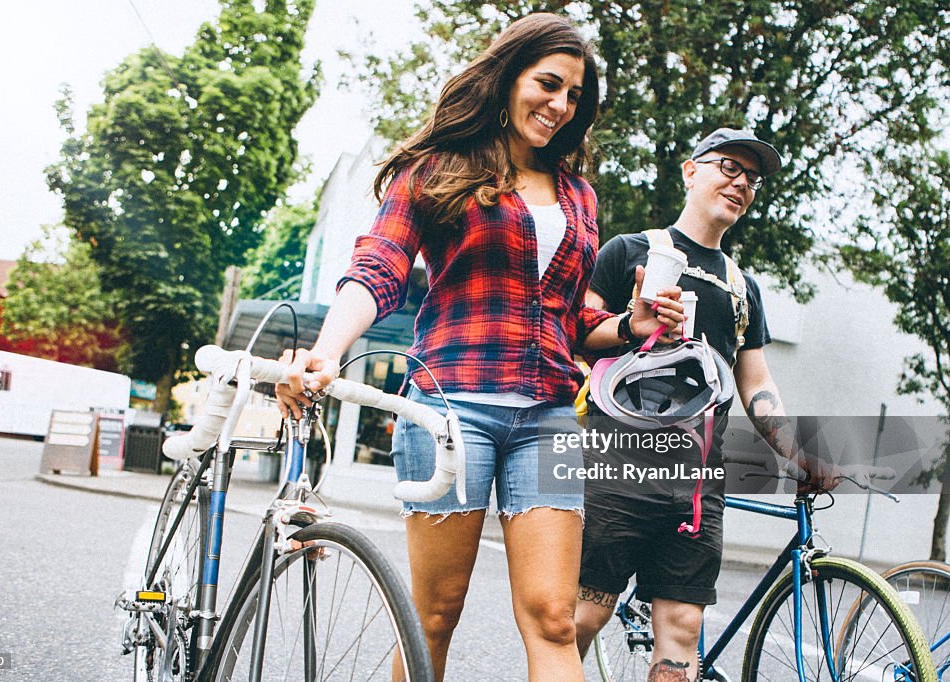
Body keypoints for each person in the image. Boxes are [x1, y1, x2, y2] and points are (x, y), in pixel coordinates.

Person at [275, 13, 683, 681]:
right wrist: (326, 348)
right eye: (548, 84)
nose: (559, 105)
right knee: (435, 615)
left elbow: (573, 318)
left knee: (555, 616)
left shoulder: (578, 195)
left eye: (574, 96)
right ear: (509, 76)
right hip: (449, 408)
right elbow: (379, 265)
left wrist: (633, 325)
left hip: (549, 416)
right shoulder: (437, 167)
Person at [573, 128, 833, 681]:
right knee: (582, 617)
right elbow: (576, 329)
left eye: (752, 178)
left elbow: (756, 383)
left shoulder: (742, 287)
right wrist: (630, 325)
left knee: (681, 636)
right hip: (616, 471)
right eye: (729, 168)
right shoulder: (629, 251)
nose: (741, 183)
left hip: (694, 487)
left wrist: (796, 451)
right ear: (691, 171)